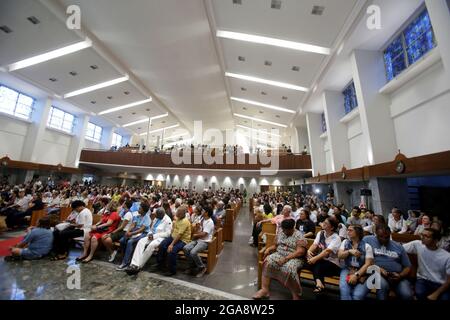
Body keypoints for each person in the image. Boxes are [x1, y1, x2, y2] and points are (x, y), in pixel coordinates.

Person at [253, 219, 307, 300]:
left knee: (289, 268)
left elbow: (300, 252)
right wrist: (268, 249)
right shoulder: (281, 233)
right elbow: (275, 246)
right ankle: (265, 290)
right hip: (280, 254)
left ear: (291, 228)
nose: (283, 231)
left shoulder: (299, 236)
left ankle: (296, 295)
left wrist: (285, 259)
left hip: (294, 257)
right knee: (268, 261)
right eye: (283, 229)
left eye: (286, 230)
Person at [363, 224, 413, 300]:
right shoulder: (368, 240)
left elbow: (407, 266)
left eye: (387, 237)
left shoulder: (398, 246)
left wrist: (400, 276)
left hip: (396, 276)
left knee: (407, 294)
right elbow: (364, 259)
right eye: (381, 236)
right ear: (376, 234)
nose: (384, 239)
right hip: (376, 273)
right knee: (383, 286)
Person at [403, 228, 450, 300]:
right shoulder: (418, 244)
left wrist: (436, 294)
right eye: (422, 235)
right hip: (423, 280)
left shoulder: (446, 256)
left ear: (435, 240)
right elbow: (399, 249)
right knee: (420, 293)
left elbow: (449, 281)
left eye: (426, 236)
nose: (422, 237)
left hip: (440, 283)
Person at [126, 207, 173, 275]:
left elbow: (167, 234)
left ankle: (139, 266)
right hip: (151, 235)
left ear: (161, 215)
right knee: (141, 241)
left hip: (160, 237)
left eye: (157, 216)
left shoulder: (168, 220)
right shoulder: (156, 217)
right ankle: (134, 264)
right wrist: (150, 234)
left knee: (151, 246)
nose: (155, 217)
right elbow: (152, 228)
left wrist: (154, 236)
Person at [305, 217, 342, 294]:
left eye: (326, 223)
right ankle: (320, 284)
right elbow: (315, 245)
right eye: (324, 222)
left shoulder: (336, 238)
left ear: (332, 228)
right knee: (312, 263)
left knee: (316, 264)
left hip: (333, 263)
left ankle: (319, 284)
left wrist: (314, 259)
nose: (323, 223)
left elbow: (327, 252)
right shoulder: (321, 233)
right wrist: (309, 251)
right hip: (321, 261)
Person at [338, 225, 374, 300]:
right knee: (344, 289)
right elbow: (340, 255)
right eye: (347, 230)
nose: (348, 232)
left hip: (363, 272)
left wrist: (356, 275)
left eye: (350, 230)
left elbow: (368, 264)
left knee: (357, 296)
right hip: (348, 269)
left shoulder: (367, 246)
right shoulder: (345, 242)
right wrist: (349, 251)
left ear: (357, 232)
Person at [153, 206, 191, 276]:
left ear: (182, 214)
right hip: (173, 237)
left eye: (178, 212)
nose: (176, 213)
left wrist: (171, 244)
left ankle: (172, 270)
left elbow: (179, 235)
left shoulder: (185, 221)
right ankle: (161, 264)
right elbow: (174, 229)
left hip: (182, 240)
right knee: (162, 245)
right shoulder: (178, 218)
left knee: (172, 250)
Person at [116, 202, 151, 270]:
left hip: (143, 233)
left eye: (140, 208)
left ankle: (126, 263)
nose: (138, 209)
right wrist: (128, 231)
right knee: (122, 240)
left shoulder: (147, 218)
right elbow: (133, 225)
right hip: (135, 231)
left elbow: (141, 229)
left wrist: (131, 234)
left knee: (130, 242)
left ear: (144, 210)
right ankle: (124, 258)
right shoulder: (137, 216)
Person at [183, 206, 215, 277]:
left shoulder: (210, 222)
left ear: (207, 213)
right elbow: (198, 230)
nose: (202, 212)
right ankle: (192, 266)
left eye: (203, 211)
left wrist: (195, 235)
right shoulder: (202, 219)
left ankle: (202, 267)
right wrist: (196, 227)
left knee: (193, 252)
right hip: (198, 239)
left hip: (205, 241)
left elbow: (204, 234)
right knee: (186, 248)